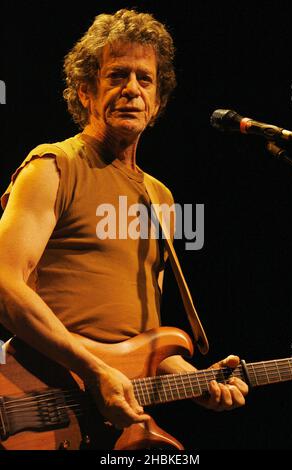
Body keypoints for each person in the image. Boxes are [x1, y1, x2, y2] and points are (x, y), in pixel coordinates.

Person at [0, 9, 248, 438]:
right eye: (117, 76)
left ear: (158, 103)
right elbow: (4, 283)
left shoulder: (160, 197)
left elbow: (146, 339)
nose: (132, 89)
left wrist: (193, 379)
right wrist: (93, 370)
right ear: (85, 92)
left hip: (115, 419)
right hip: (43, 400)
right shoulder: (53, 166)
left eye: (145, 79)